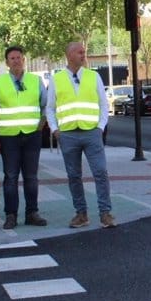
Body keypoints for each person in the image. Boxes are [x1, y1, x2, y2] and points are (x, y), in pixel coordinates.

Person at [47, 41, 116, 229]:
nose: (83, 55)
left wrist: (100, 127)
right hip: (68, 134)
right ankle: (81, 213)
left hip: (91, 132)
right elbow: (50, 108)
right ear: (69, 55)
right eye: (80, 52)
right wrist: (55, 129)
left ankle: (105, 213)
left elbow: (103, 104)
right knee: (73, 175)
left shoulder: (94, 77)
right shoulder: (57, 79)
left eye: (84, 52)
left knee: (100, 172)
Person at [0, 45, 48, 229]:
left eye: (19, 57)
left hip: (31, 135)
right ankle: (11, 215)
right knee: (10, 176)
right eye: (12, 58)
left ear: (24, 60)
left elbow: (45, 104)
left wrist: (42, 123)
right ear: (7, 62)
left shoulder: (35, 80)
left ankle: (32, 213)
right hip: (8, 137)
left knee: (31, 176)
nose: (16, 61)